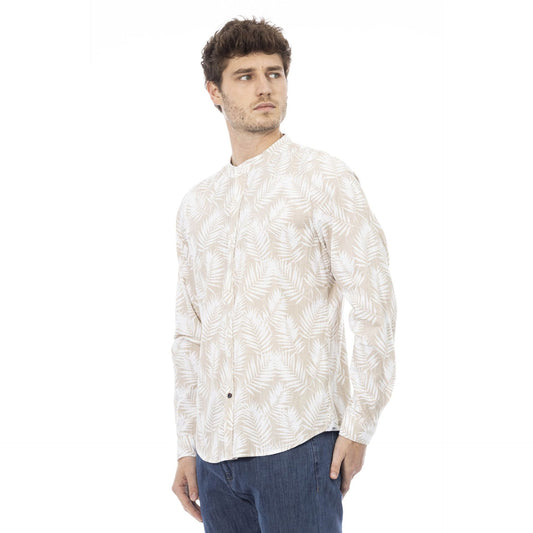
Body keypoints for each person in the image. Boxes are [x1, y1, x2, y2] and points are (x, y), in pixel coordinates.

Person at [170, 16, 397, 533]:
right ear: (214, 92)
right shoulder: (197, 206)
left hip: (299, 444)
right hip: (214, 456)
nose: (265, 87)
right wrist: (187, 446)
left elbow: (374, 303)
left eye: (274, 73)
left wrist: (359, 426)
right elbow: (190, 334)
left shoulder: (324, 179)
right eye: (245, 76)